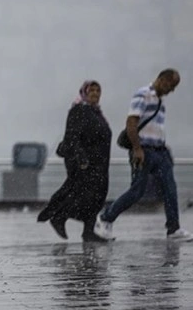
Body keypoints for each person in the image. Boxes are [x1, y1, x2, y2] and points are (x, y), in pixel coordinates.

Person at [95, 68, 193, 241]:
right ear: (162, 79)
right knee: (136, 191)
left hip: (160, 152)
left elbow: (154, 127)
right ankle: (105, 217)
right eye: (172, 85)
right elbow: (131, 122)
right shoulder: (143, 95)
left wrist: (163, 145)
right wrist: (137, 149)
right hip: (144, 151)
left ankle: (173, 229)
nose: (172, 90)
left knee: (170, 189)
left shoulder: (160, 100)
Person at [37, 80, 112, 242]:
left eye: (98, 91)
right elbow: (72, 136)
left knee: (97, 198)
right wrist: (81, 158)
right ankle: (60, 216)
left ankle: (88, 231)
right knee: (84, 196)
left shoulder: (96, 112)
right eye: (91, 90)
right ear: (84, 92)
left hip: (100, 164)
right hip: (86, 163)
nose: (95, 94)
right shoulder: (79, 110)